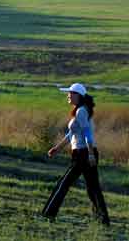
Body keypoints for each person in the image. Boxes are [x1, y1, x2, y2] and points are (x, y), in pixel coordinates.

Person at [42, 83, 110, 225]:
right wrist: (57, 148)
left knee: (64, 184)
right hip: (83, 153)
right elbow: (71, 134)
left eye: (71, 93)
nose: (68, 95)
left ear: (78, 96)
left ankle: (48, 213)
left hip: (84, 154)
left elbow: (87, 134)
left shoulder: (81, 112)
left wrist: (90, 154)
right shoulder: (80, 111)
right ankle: (103, 220)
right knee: (93, 188)